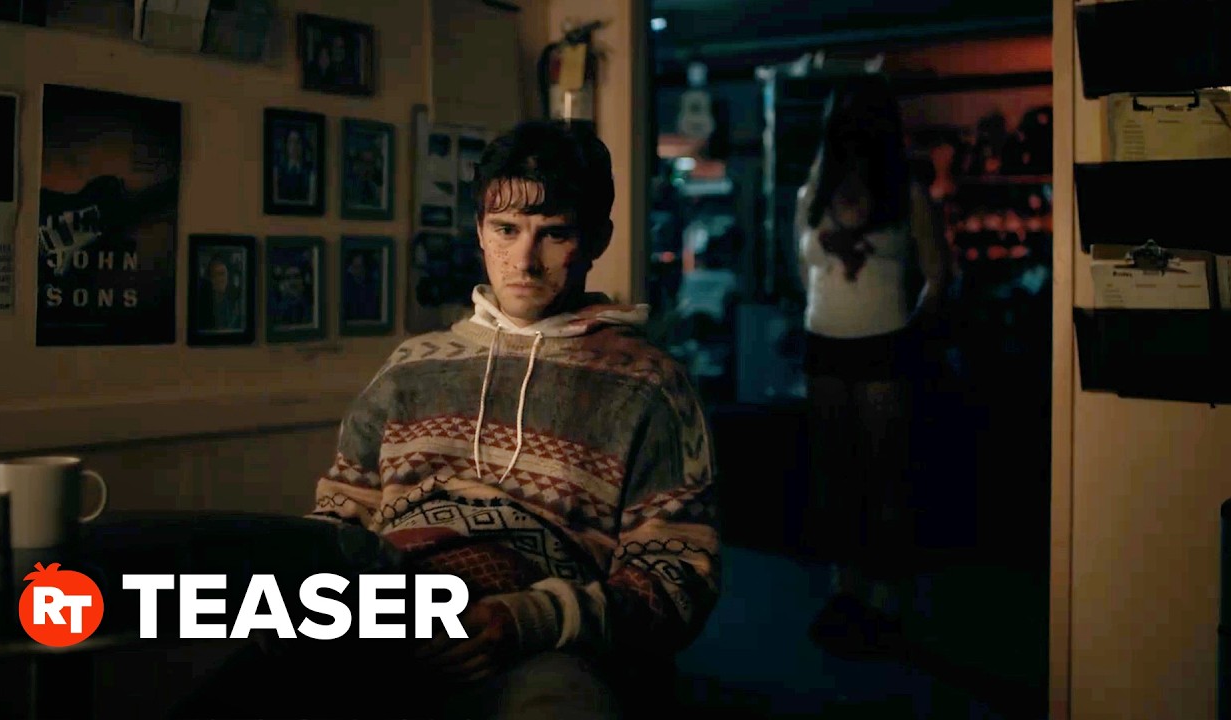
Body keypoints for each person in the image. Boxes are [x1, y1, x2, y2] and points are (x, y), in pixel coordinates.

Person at [175, 120, 721, 720]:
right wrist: (304, 596)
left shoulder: (650, 386)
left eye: (554, 234)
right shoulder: (410, 368)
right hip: (384, 609)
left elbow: (677, 579)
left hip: (540, 636)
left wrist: (530, 618)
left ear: (596, 239)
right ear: (480, 231)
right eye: (506, 230)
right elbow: (339, 521)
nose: (525, 261)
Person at [794, 74, 951, 655]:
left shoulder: (905, 193)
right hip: (825, 341)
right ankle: (846, 589)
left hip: (885, 343)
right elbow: (803, 271)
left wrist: (915, 329)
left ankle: (884, 597)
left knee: (886, 472)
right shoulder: (812, 195)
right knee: (836, 472)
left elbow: (938, 274)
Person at [196, 252, 244, 332]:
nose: (221, 279)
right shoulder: (203, 305)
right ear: (210, 278)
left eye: (223, 274)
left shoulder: (233, 303)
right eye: (216, 275)